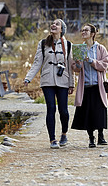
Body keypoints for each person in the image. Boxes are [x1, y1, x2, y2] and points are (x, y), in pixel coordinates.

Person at [24, 19, 74, 149]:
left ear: (62, 29)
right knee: (51, 108)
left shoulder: (68, 45)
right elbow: (37, 63)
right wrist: (28, 78)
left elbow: (70, 66)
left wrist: (72, 84)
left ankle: (64, 133)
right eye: (53, 23)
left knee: (63, 110)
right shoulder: (43, 44)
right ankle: (52, 139)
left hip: (63, 80)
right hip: (47, 81)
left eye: (57, 24)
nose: (53, 25)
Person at [71, 23, 108, 148]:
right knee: (87, 113)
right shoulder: (78, 49)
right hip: (86, 86)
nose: (83, 32)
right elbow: (75, 69)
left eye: (86, 30)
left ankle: (101, 135)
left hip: (98, 87)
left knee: (99, 112)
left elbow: (104, 65)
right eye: (82, 30)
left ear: (92, 34)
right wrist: (77, 64)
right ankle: (91, 138)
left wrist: (90, 60)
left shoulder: (100, 49)